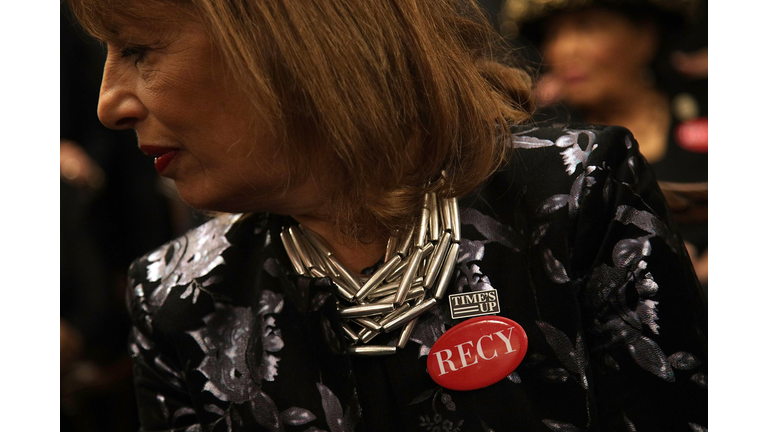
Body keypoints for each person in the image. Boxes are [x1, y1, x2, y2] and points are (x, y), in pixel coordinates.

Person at [66, 0, 707, 430]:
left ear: (283, 42)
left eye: (140, 49)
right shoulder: (175, 296)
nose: (108, 104)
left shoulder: (573, 194)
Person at [500, 0, 709, 287]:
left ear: (645, 36)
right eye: (553, 34)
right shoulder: (535, 147)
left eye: (586, 27)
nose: (564, 49)